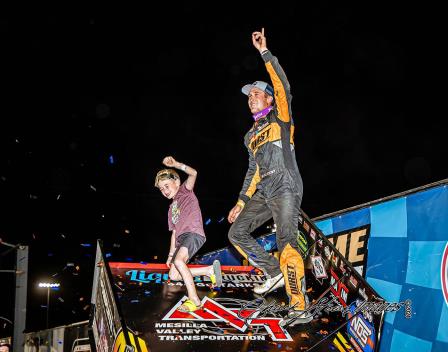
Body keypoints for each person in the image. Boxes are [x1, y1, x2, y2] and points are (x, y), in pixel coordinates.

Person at [227, 29, 312, 323]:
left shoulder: (281, 118)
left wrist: (265, 53)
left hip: (286, 186)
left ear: (268, 99)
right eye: (248, 96)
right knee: (235, 232)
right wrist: (241, 201)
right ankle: (274, 272)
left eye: (256, 94)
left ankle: (299, 305)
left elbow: (282, 87)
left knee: (286, 242)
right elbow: (253, 170)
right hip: (264, 191)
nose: (251, 99)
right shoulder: (250, 136)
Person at [155, 156, 222, 312]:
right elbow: (174, 232)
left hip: (193, 233)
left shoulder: (185, 191)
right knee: (174, 274)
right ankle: (208, 271)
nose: (165, 191)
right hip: (181, 239)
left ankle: (194, 300)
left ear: (177, 182)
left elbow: (193, 173)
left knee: (180, 262)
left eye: (166, 186)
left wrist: (176, 164)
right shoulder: (171, 209)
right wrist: (170, 254)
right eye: (161, 189)